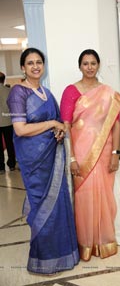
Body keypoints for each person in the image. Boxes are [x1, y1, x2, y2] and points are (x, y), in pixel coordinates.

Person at [7, 47, 79, 275]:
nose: (36, 66)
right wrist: (52, 125)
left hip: (52, 158)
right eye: (30, 63)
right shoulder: (18, 92)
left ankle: (64, 255)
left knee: (58, 204)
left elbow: (58, 122)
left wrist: (58, 131)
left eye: (39, 62)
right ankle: (44, 259)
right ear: (22, 67)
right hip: (34, 163)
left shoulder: (47, 93)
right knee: (41, 208)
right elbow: (19, 129)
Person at [60, 49, 120, 261]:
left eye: (93, 63)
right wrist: (71, 158)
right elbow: (66, 127)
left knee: (104, 195)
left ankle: (104, 241)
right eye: (85, 63)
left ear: (98, 65)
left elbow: (115, 125)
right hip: (80, 152)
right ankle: (85, 244)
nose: (89, 67)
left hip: (105, 152)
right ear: (80, 66)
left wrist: (115, 153)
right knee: (84, 196)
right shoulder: (71, 91)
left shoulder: (107, 92)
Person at [0, 72, 16, 174]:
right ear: (3, 80)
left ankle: (1, 167)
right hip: (8, 121)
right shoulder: (9, 91)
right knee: (10, 144)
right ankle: (11, 165)